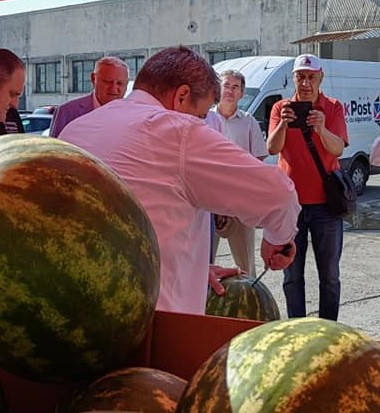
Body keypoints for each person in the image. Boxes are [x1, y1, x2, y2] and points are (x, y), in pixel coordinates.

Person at [59, 45, 300, 315]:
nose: (203, 123)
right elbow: (279, 195)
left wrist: (195, 269)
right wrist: (278, 240)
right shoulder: (179, 132)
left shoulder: (75, 130)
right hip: (151, 319)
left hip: (74, 311)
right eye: (201, 115)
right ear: (182, 96)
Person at [267, 54, 348, 321]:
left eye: (311, 77)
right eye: (300, 77)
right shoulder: (280, 108)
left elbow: (337, 148)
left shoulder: (333, 107)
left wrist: (321, 129)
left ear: (320, 78)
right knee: (292, 275)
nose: (306, 83)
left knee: (330, 275)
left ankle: (328, 328)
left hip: (326, 205)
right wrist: (283, 124)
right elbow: (272, 148)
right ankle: (296, 326)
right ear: (293, 79)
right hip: (291, 207)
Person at [205, 70, 268, 277]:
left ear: (241, 93)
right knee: (204, 264)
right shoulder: (205, 119)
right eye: (226, 85)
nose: (230, 91)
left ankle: (250, 297)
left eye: (235, 87)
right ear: (217, 88)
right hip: (209, 201)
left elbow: (258, 162)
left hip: (240, 202)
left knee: (246, 265)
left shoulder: (249, 122)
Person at [49, 56, 129, 137]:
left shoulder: (131, 115)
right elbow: (55, 144)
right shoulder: (66, 112)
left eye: (120, 83)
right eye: (108, 82)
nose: (114, 88)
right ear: (93, 79)